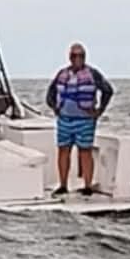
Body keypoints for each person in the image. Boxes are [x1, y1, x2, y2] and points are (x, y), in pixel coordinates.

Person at [45, 43, 113, 196]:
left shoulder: (93, 74)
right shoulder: (62, 74)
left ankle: (87, 186)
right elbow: (50, 92)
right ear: (69, 57)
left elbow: (108, 90)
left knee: (85, 151)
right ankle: (63, 185)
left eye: (81, 55)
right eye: (74, 56)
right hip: (64, 119)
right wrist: (55, 108)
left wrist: (100, 110)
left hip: (85, 120)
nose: (78, 59)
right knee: (63, 150)